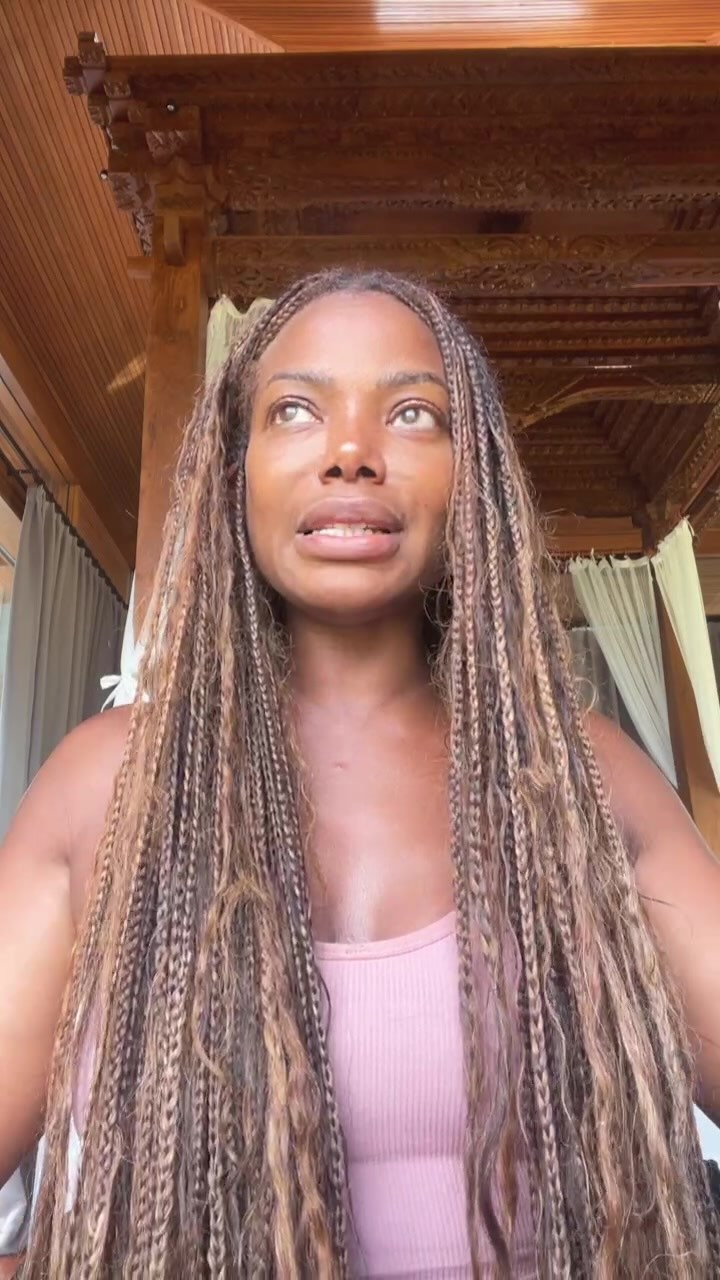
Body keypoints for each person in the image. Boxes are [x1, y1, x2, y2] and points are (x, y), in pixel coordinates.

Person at [1, 269, 719, 1279]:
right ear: (235, 471)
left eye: (413, 413)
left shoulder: (586, 777)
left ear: (474, 479)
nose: (351, 451)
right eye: (295, 409)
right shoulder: (103, 784)